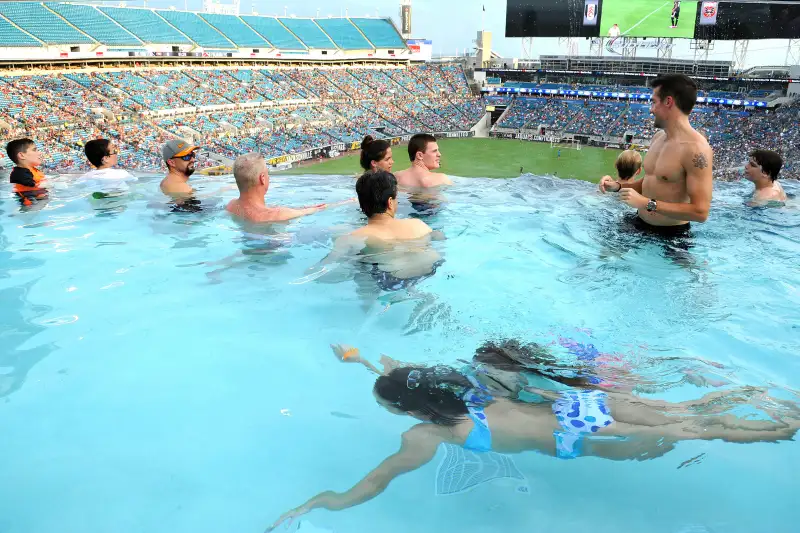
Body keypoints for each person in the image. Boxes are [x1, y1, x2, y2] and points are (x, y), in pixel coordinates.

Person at [266, 341, 800, 530]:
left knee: (695, 434)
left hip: (574, 439)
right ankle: (766, 399)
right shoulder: (464, 388)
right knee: (686, 411)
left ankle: (784, 430)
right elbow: (409, 379)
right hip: (580, 405)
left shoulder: (427, 436)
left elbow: (375, 484)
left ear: (408, 410)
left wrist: (322, 503)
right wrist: (359, 361)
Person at [598, 74, 713, 236]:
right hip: (638, 222)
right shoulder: (658, 138)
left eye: (653, 102)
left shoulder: (697, 150)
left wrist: (647, 203)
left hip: (671, 236)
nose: (651, 109)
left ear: (668, 102)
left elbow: (701, 212)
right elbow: (652, 182)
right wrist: (618, 186)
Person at [315, 170, 443, 291]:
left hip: (393, 280)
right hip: (432, 268)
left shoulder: (351, 237)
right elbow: (440, 238)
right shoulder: (418, 224)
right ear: (390, 203)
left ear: (361, 205)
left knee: (360, 263)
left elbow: (324, 266)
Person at [226, 152, 340, 223]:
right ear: (263, 178)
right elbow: (316, 210)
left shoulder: (231, 206)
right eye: (267, 173)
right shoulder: (279, 214)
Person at [6, 138, 47, 206]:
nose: (39, 153)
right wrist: (52, 183)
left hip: (39, 201)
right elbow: (33, 185)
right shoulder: (19, 173)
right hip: (31, 205)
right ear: (22, 155)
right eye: (34, 150)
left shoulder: (32, 170)